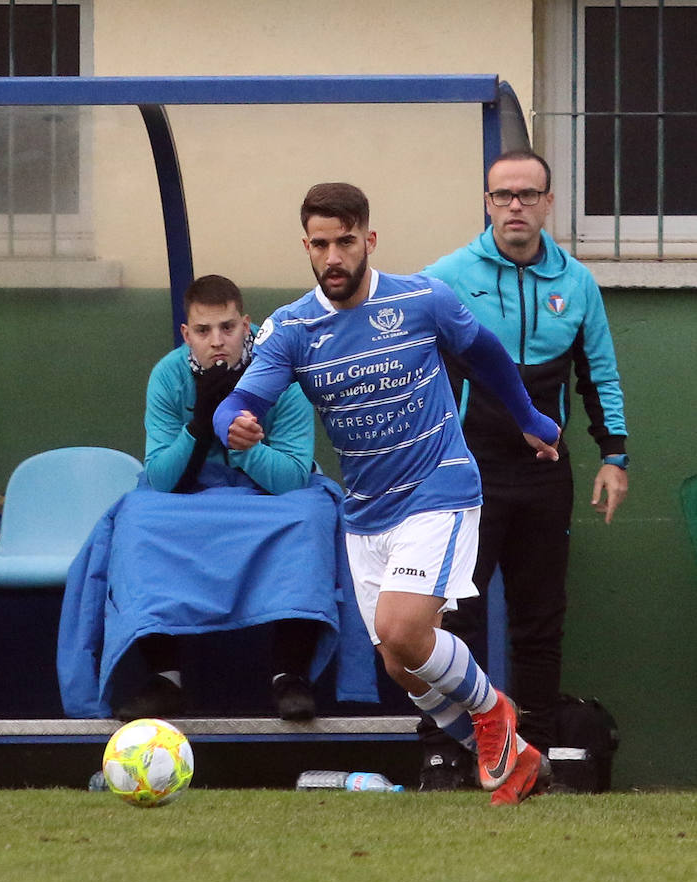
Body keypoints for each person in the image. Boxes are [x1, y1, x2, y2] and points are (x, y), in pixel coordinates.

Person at [212, 182, 560, 805]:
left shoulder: (424, 298)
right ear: (307, 248)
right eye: (321, 245)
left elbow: (484, 354)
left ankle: (495, 716)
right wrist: (230, 423)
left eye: (346, 241)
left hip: (439, 484)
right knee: (401, 663)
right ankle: (516, 758)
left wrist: (529, 417)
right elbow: (240, 399)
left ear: (368, 240)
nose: (334, 256)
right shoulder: (291, 328)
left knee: (403, 629)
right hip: (367, 511)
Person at [417, 150, 630, 789]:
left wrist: (614, 456)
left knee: (541, 615)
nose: (516, 206)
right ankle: (450, 748)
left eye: (528, 195)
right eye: (503, 195)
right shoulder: (446, 276)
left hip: (544, 475)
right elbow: (410, 368)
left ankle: (531, 749)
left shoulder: (579, 283)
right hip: (467, 471)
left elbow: (600, 377)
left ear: (547, 204)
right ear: (487, 203)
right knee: (457, 612)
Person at [114, 273, 323, 722]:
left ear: (247, 325)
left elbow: (292, 477)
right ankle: (165, 679)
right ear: (186, 334)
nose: (217, 342)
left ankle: (290, 674)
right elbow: (162, 478)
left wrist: (240, 442)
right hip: (192, 491)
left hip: (264, 491)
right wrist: (199, 423)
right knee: (136, 517)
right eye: (204, 331)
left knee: (311, 516)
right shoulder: (168, 376)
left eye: (228, 328)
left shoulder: (282, 375)